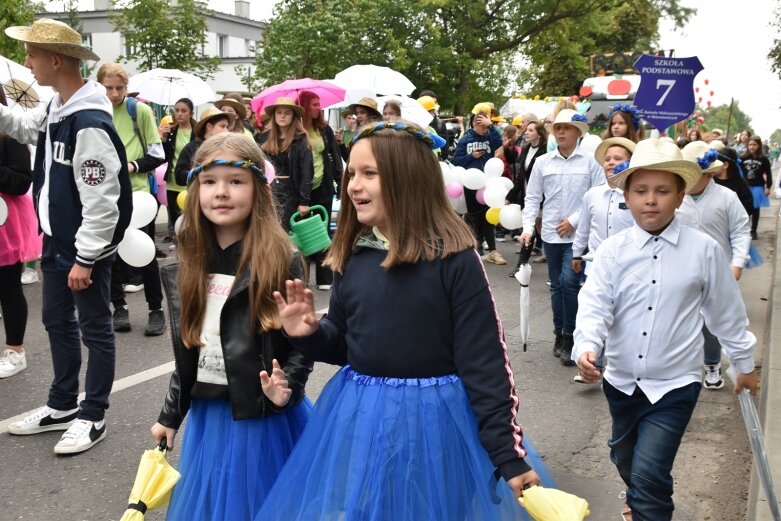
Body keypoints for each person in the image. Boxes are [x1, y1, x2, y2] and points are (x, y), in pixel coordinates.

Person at [257, 120, 552, 520]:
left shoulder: (454, 258)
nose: (354, 186)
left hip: (437, 423)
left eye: (369, 174)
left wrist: (508, 454)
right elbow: (346, 344)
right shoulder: (354, 253)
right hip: (362, 416)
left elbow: (485, 362)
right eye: (351, 174)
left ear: (408, 179)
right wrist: (308, 333)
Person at [574, 138, 758, 521]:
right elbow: (595, 305)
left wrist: (744, 363)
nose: (651, 200)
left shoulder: (704, 250)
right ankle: (641, 493)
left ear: (680, 196)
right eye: (641, 191)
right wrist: (587, 345)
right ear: (626, 195)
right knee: (626, 458)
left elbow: (726, 312)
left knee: (649, 471)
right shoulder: (612, 251)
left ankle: (644, 503)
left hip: (675, 384)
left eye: (662, 191)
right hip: (622, 381)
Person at [151, 133, 313, 520]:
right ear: (195, 190)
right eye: (210, 182)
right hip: (210, 415)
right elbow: (189, 349)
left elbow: (302, 344)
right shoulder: (188, 263)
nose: (221, 192)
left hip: (261, 414)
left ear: (258, 189)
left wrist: (286, 389)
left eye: (235, 181)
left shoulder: (280, 259)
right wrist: (171, 414)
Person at [2, 19, 132, 454]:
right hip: (58, 243)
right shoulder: (58, 107)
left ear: (55, 60)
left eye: (32, 55)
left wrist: (87, 257)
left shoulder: (88, 120)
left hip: (82, 249)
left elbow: (102, 201)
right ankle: (61, 406)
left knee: (95, 329)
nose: (27, 63)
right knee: (56, 320)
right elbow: (22, 127)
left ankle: (93, 415)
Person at [520, 109, 604, 366]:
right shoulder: (544, 163)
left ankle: (570, 335)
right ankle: (560, 334)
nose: (561, 132)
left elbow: (597, 195)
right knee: (556, 286)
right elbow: (533, 197)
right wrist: (527, 228)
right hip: (550, 235)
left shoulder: (590, 162)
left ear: (578, 132)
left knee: (569, 283)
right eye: (557, 128)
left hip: (578, 236)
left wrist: (574, 221)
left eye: (567, 128)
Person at [97, 62, 167, 336]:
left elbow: (157, 153)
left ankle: (156, 310)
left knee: (145, 254)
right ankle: (119, 308)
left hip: (138, 196)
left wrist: (132, 166)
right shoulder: (95, 110)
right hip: (105, 193)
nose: (114, 93)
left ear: (127, 88)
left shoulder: (139, 111)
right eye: (108, 87)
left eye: (119, 88)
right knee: (109, 253)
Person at [0, 87, 38, 379]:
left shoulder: (10, 135)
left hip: (5, 223)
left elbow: (23, 181)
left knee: (8, 288)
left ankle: (15, 351)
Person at [571, 137, 636, 277]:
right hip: (596, 266)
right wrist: (577, 254)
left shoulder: (635, 195)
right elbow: (584, 228)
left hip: (628, 267)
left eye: (618, 158)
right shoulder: (592, 194)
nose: (611, 162)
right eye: (607, 159)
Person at [299, 90, 343, 290]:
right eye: (314, 104)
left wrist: (340, 181)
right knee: (302, 232)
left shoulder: (324, 130)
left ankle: (325, 278)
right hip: (301, 188)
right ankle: (302, 276)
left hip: (323, 186)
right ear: (305, 107)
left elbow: (334, 155)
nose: (319, 107)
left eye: (319, 104)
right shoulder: (296, 130)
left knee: (322, 231)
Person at [452, 103, 506, 264]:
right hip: (470, 184)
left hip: (488, 183)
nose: (485, 130)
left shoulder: (490, 136)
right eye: (482, 126)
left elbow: (498, 143)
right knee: (474, 218)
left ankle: (493, 250)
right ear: (475, 123)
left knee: (488, 218)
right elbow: (456, 161)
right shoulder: (465, 139)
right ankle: (475, 249)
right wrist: (471, 157)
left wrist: (491, 126)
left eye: (487, 126)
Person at [257, 97, 313, 233]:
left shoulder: (300, 139)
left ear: (293, 116)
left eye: (287, 113)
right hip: (268, 191)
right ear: (274, 115)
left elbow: (307, 171)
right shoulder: (262, 138)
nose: (282, 116)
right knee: (268, 231)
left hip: (291, 193)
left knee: (288, 233)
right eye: (279, 112)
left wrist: (304, 201)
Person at [160, 98, 196, 245]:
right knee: (174, 215)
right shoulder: (171, 132)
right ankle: (178, 240)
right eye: (177, 110)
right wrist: (163, 138)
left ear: (191, 113)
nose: (179, 114)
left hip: (190, 179)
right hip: (172, 180)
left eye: (183, 111)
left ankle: (192, 241)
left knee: (191, 214)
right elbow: (163, 157)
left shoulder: (197, 132)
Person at [174, 106, 235, 186]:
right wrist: (198, 172)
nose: (226, 131)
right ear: (209, 126)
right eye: (222, 126)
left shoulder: (228, 148)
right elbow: (179, 177)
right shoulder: (191, 148)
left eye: (227, 127)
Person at [742, 136, 772, 239]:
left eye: (754, 145)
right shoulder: (743, 158)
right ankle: (743, 230)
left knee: (755, 209)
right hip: (745, 187)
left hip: (758, 187)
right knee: (744, 209)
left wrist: (768, 186)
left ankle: (753, 230)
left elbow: (768, 173)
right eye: (750, 144)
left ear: (759, 145)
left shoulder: (763, 159)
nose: (752, 147)